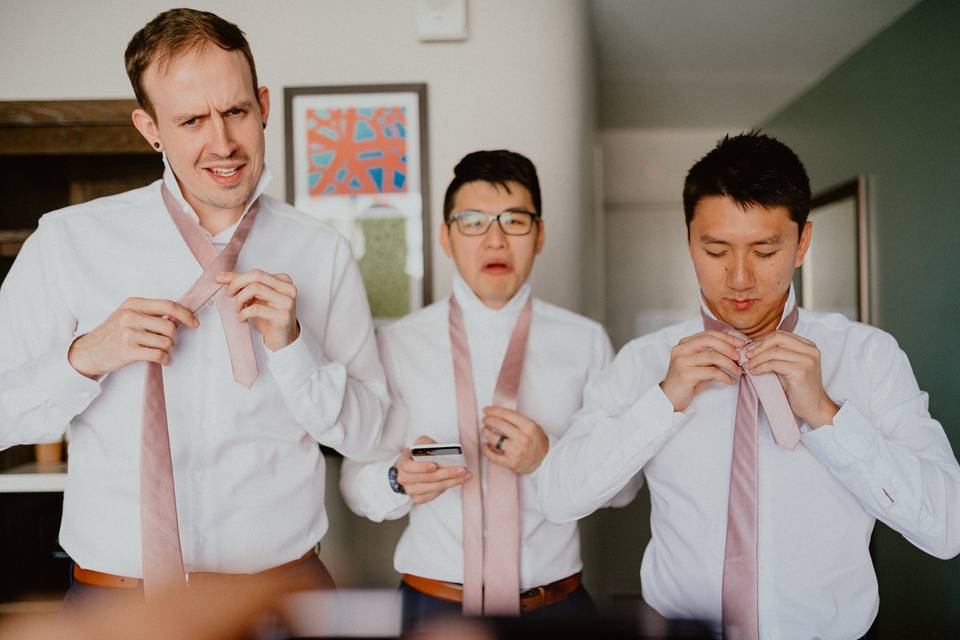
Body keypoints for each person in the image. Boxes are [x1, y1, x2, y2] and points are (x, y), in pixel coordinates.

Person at [0, 8, 388, 601]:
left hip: (283, 595)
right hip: (118, 603)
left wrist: (293, 347)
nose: (222, 143)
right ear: (150, 127)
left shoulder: (322, 251)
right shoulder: (67, 241)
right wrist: (84, 358)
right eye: (190, 120)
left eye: (235, 111)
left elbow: (368, 434)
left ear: (262, 104)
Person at [538, 132, 960, 639]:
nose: (739, 279)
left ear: (802, 242)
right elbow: (559, 499)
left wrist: (827, 414)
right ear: (689, 240)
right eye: (716, 249)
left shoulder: (868, 355)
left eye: (764, 250)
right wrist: (663, 401)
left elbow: (947, 527)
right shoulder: (643, 362)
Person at [340, 150, 639, 630]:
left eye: (514, 221)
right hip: (433, 610)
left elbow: (625, 488)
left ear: (539, 235)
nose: (495, 239)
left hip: (555, 611)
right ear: (446, 236)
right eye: (473, 222)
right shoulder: (396, 344)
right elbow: (355, 483)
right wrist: (396, 481)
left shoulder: (585, 342)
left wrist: (549, 460)